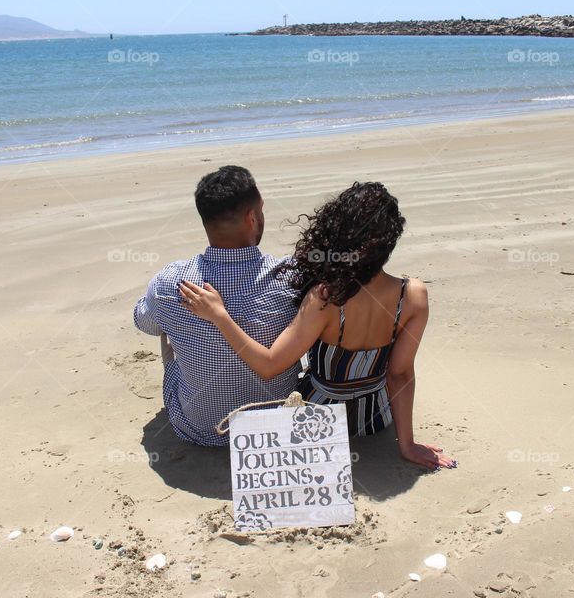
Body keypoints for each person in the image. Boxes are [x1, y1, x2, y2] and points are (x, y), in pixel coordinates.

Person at [179, 182, 456, 470]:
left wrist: (220, 316)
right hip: (375, 418)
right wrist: (407, 444)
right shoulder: (413, 295)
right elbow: (399, 375)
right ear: (389, 241)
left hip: (319, 418)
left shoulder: (326, 298)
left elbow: (269, 365)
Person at [133, 166, 300, 446]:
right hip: (277, 420)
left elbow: (144, 323)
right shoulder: (291, 275)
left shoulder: (172, 281)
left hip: (202, 430)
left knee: (165, 323)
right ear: (252, 217)